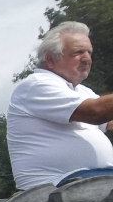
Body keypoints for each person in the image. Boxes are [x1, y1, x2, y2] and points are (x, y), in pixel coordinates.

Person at [8, 21, 113, 190]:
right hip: (57, 188)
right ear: (50, 59)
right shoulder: (37, 85)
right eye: (78, 52)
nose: (87, 58)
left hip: (95, 181)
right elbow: (96, 112)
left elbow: (108, 121)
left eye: (89, 52)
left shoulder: (82, 91)